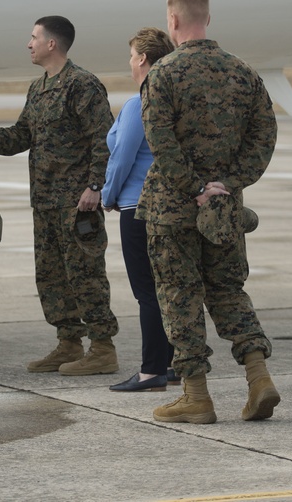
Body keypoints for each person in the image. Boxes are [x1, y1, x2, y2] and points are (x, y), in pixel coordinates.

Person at [138, 0, 279, 424]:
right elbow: (264, 138)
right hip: (224, 212)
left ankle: (196, 396)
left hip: (173, 210)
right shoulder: (243, 72)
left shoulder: (163, 73)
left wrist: (193, 185)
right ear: (208, 19)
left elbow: (159, 140)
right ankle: (259, 377)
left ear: (173, 21)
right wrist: (228, 184)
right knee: (228, 291)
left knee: (179, 297)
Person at [0, 16, 120, 376]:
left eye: (34, 37)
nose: (29, 43)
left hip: (77, 204)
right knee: (52, 277)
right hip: (45, 203)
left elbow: (104, 139)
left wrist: (95, 186)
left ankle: (102, 348)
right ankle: (68, 343)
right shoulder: (38, 89)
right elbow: (19, 137)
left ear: (51, 44)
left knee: (85, 275)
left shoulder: (82, 85)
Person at [103, 27, 177, 393]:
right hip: (169, 206)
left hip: (136, 205)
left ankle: (152, 371)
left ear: (143, 59)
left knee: (146, 291)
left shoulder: (138, 104)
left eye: (132, 56)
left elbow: (122, 157)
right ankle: (173, 362)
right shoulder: (174, 100)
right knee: (168, 288)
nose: (130, 63)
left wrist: (107, 195)